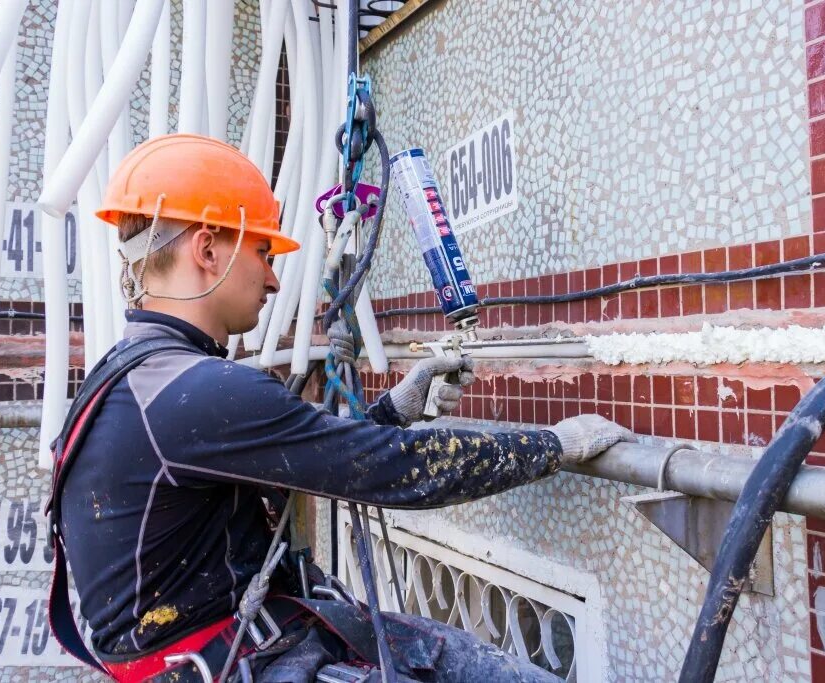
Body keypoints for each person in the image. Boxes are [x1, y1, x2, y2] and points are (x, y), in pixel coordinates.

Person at [47, 133, 633, 682]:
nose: (273, 281)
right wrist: (556, 445)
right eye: (262, 252)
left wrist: (392, 412)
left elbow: (315, 454)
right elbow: (393, 471)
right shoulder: (196, 391)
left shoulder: (132, 375)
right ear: (207, 248)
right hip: (235, 656)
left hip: (228, 642)